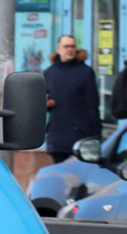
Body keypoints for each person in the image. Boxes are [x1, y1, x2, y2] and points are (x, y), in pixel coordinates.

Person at [43, 34, 100, 164]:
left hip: (80, 136)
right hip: (57, 136)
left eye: (72, 46)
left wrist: (96, 136)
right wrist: (45, 104)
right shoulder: (49, 73)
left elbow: (93, 105)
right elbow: (42, 103)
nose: (70, 49)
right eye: (66, 46)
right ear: (58, 49)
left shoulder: (85, 72)